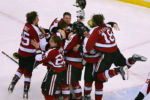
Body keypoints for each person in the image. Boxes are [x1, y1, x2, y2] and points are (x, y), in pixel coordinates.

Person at [85, 14, 147, 100]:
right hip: (115, 50)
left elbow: (88, 48)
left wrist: (93, 44)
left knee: (98, 77)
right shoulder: (107, 25)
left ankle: (117, 70)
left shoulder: (95, 31)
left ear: (95, 22)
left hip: (107, 54)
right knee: (125, 65)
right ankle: (133, 59)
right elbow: (111, 23)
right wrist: (115, 24)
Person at [8, 11, 48, 99]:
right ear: (34, 20)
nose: (39, 19)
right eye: (37, 18)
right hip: (29, 54)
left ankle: (12, 83)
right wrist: (44, 34)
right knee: (28, 73)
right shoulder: (36, 30)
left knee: (21, 68)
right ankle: (25, 92)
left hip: (21, 52)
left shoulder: (26, 25)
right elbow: (42, 45)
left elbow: (29, 33)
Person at [31, 36, 70, 100]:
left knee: (48, 93)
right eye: (50, 40)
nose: (49, 42)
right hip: (54, 72)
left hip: (54, 73)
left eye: (51, 41)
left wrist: (37, 48)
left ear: (56, 44)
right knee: (44, 89)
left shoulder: (52, 51)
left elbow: (38, 58)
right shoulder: (60, 47)